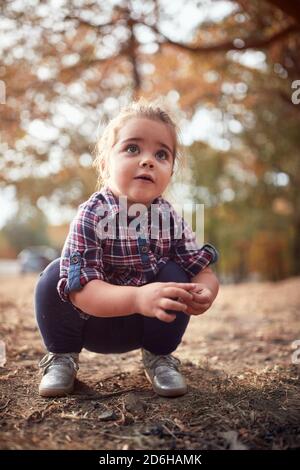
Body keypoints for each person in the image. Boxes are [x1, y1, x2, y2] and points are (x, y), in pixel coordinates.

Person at [34, 98, 219, 398]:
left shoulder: (170, 218)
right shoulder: (91, 214)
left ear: (170, 171)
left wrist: (205, 291)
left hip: (145, 325)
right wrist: (136, 298)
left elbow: (202, 269)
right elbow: (82, 291)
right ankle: (62, 358)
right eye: (132, 148)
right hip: (88, 321)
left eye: (161, 154)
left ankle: (160, 357)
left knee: (177, 273)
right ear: (106, 161)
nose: (147, 160)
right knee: (55, 275)